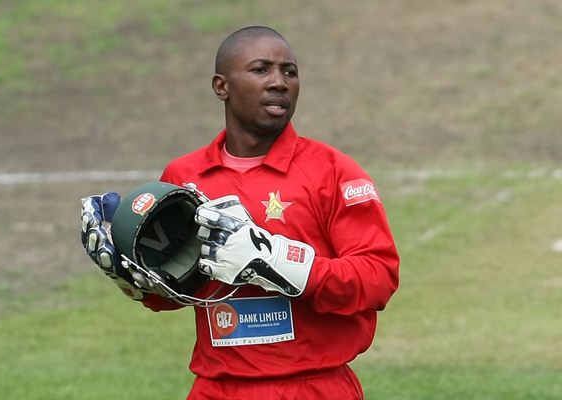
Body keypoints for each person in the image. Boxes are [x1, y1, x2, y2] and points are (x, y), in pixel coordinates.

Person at [81, 26, 399, 400]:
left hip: (315, 387)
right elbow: (174, 290)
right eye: (261, 70)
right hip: (217, 389)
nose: (279, 82)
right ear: (222, 86)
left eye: (289, 72)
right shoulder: (184, 178)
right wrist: (131, 278)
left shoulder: (334, 171)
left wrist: (276, 260)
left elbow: (377, 279)